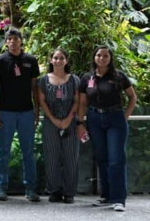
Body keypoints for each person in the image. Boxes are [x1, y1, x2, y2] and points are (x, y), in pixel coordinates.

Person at [76, 46, 137, 212]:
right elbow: (82, 103)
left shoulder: (118, 76)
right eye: (98, 55)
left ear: (110, 58)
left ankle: (118, 199)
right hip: (94, 119)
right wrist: (80, 123)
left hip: (115, 118)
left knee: (116, 159)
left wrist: (125, 116)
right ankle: (107, 196)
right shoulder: (87, 77)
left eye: (105, 55)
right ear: (94, 57)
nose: (101, 58)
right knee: (102, 158)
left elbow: (132, 97)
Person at [0, 28, 41, 202]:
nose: (12, 42)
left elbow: (35, 87)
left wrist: (36, 110)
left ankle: (31, 188)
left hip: (26, 111)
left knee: (28, 151)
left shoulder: (31, 61)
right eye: (9, 39)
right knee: (3, 151)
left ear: (21, 41)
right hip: (5, 112)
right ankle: (2, 187)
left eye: (15, 39)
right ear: (6, 42)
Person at [37, 49, 80, 204]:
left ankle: (69, 192)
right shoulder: (43, 80)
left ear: (66, 61)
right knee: (52, 157)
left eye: (62, 58)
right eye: (55, 58)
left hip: (71, 121)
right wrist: (54, 119)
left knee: (71, 156)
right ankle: (54, 191)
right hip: (50, 122)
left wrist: (69, 119)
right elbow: (41, 101)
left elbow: (77, 101)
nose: (58, 60)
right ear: (51, 60)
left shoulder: (74, 79)